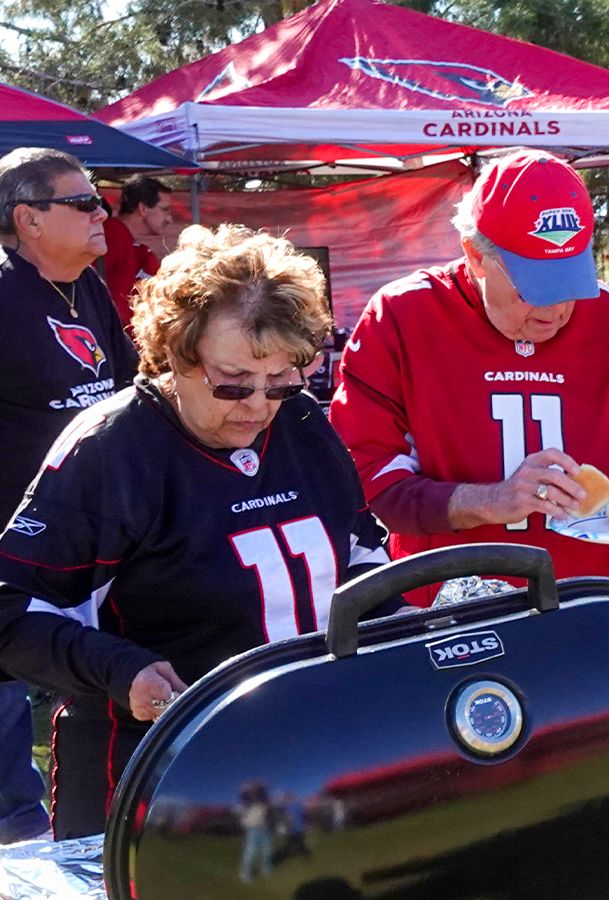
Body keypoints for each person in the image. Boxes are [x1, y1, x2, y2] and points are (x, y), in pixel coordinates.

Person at [0, 224, 391, 838]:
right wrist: (122, 670)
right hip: (154, 773)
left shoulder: (301, 422)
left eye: (282, 380)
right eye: (232, 382)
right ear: (175, 355)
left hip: (307, 754)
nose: (258, 406)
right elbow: (10, 611)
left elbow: (361, 553)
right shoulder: (113, 450)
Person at [330, 151, 609, 601]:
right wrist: (492, 500)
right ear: (475, 256)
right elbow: (368, 478)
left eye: (569, 283)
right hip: (451, 604)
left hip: (593, 597)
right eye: (533, 287)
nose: (555, 310)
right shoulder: (402, 317)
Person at [0, 147, 138, 844]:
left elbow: (129, 396)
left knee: (91, 700)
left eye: (100, 201)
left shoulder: (90, 290)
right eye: (83, 203)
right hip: (10, 553)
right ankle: (14, 850)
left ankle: (88, 834)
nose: (101, 213)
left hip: (95, 544)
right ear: (27, 219)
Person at [100, 174, 171, 326]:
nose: (169, 218)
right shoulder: (111, 235)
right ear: (143, 208)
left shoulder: (135, 247)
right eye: (165, 210)